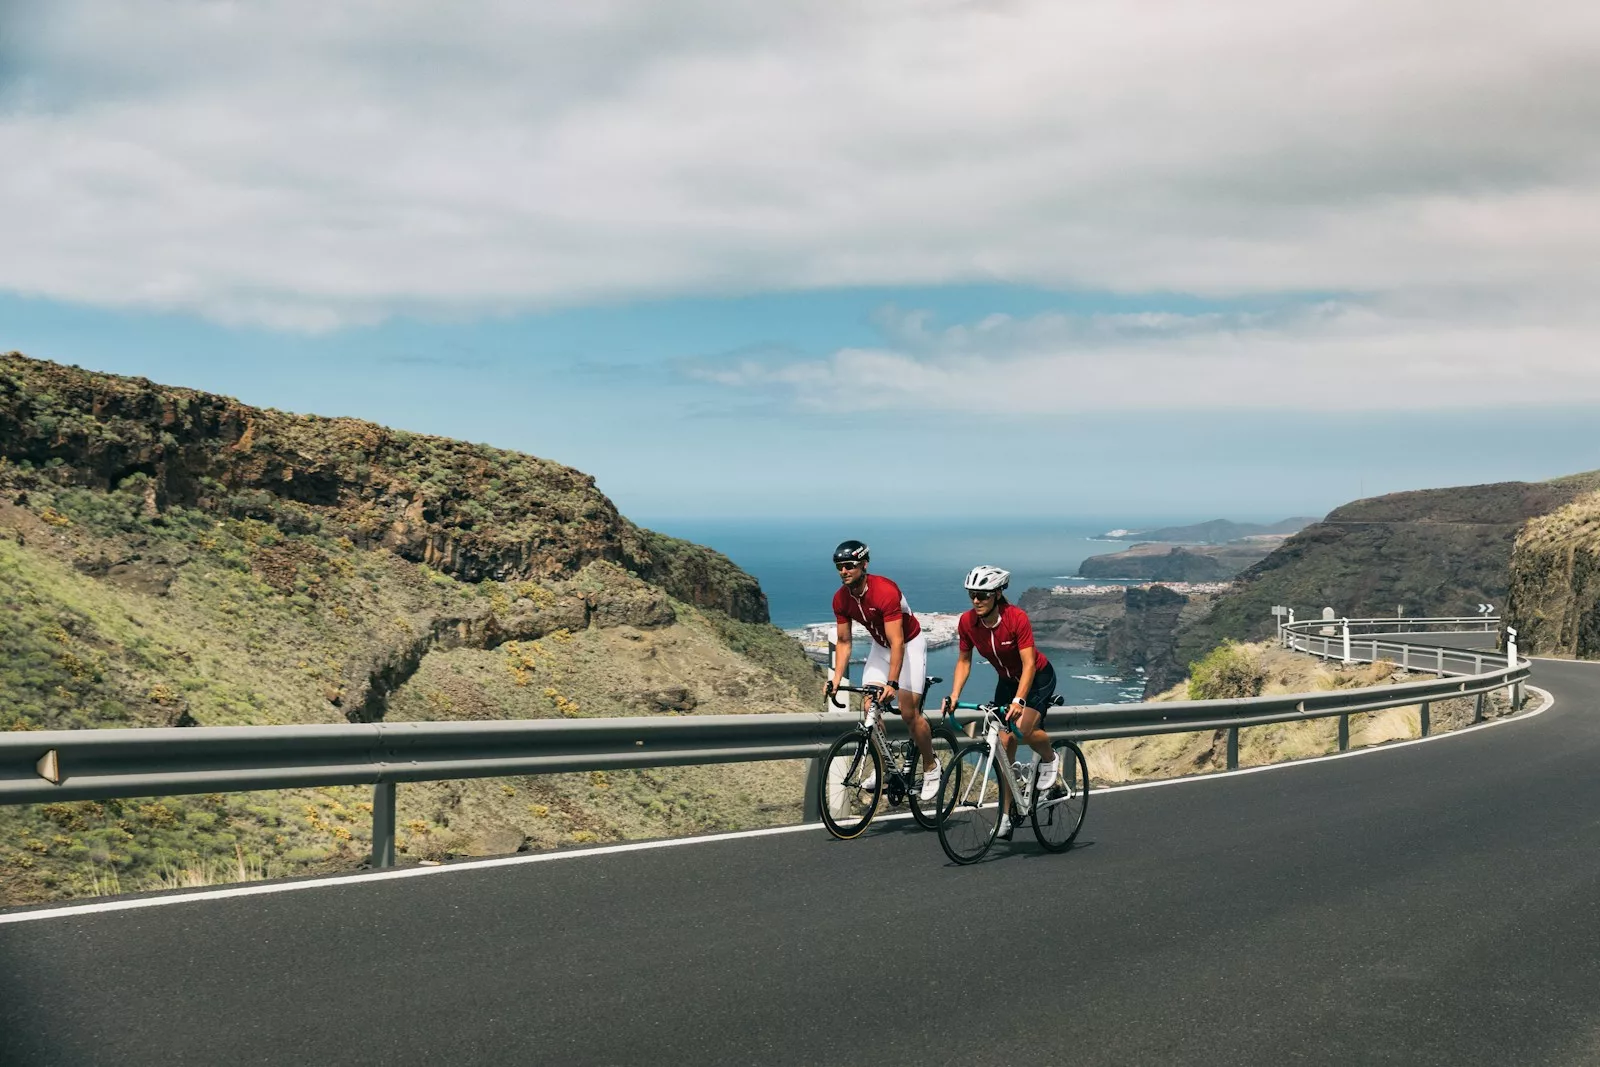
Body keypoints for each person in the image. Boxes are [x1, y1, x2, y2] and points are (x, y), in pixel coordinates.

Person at [942, 565, 1058, 839]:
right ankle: (1006, 816)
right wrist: (955, 695)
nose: (976, 600)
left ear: (997, 594)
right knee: (1004, 745)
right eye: (972, 595)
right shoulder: (967, 622)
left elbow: (1029, 664)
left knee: (1024, 728)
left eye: (982, 595)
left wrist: (1019, 700)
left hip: (1038, 677)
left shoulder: (1016, 618)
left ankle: (1050, 758)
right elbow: (964, 660)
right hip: (1006, 680)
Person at [825, 540, 940, 802]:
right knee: (869, 707)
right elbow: (844, 642)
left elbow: (898, 642)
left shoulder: (885, 591)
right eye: (840, 567)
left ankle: (931, 765)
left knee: (909, 713)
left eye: (850, 566)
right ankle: (885, 767)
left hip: (908, 645)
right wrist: (835, 679)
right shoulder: (841, 598)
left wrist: (892, 682)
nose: (844, 571)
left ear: (864, 565)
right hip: (880, 647)